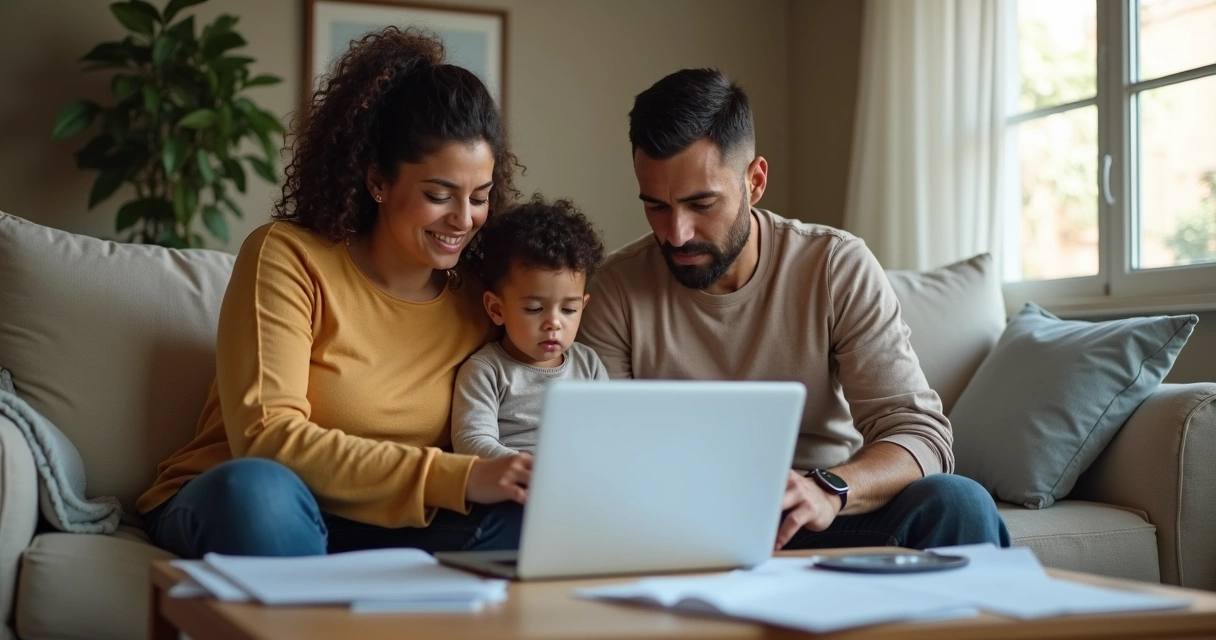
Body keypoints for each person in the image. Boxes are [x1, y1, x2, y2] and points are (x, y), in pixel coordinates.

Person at [135, 28, 533, 558]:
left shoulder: (483, 299)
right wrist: (457, 478)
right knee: (258, 496)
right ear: (377, 181)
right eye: (439, 195)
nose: (464, 219)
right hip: (246, 499)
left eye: (480, 197)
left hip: (387, 522)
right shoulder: (289, 256)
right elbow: (267, 437)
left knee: (526, 519)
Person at [577, 68, 1011, 551]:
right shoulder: (615, 288)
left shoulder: (833, 265)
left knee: (960, 503)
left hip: (816, 517)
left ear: (755, 180)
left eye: (701, 204)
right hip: (675, 524)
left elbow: (920, 435)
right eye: (656, 206)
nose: (676, 233)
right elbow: (602, 457)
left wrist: (829, 489)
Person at [451, 196, 608, 460]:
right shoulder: (486, 371)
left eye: (569, 310)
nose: (554, 323)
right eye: (535, 309)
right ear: (497, 309)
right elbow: (472, 440)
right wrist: (527, 468)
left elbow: (609, 430)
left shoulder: (588, 365)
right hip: (511, 486)